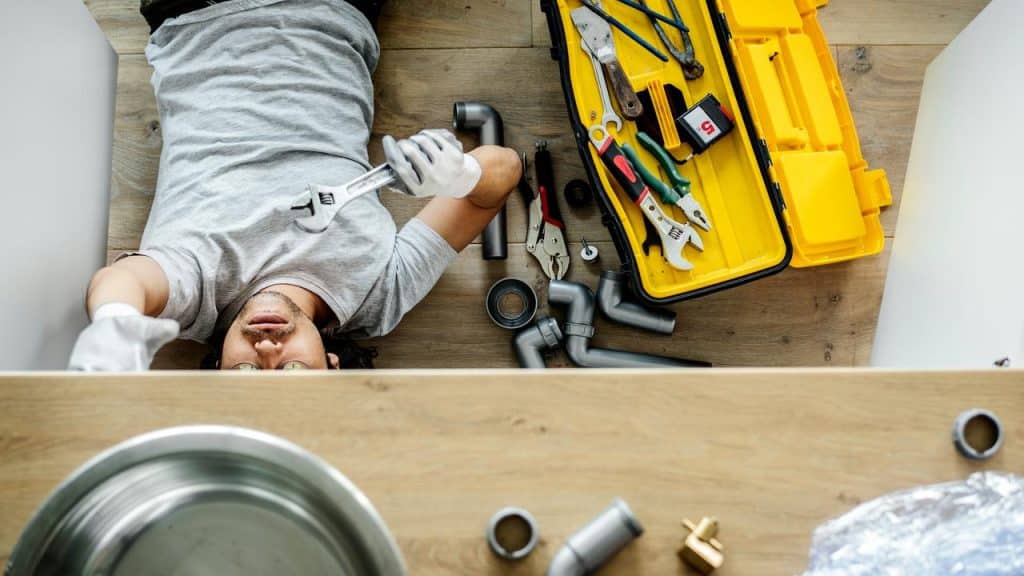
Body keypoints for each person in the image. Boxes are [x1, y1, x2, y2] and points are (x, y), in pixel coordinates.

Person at [68, 0, 520, 371]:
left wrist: (113, 321)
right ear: (331, 365)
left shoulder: (194, 297)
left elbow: (124, 280)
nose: (266, 350)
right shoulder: (378, 293)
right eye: (292, 371)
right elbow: (504, 172)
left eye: (245, 371)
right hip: (333, 11)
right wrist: (462, 176)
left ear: (218, 369)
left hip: (199, 15)